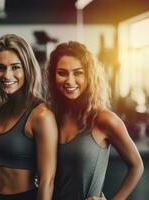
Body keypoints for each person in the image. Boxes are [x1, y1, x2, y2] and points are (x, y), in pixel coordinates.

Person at [46, 41, 144, 200]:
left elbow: (137, 166)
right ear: (53, 76)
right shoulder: (51, 117)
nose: (70, 81)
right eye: (62, 73)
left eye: (78, 73)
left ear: (89, 75)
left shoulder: (104, 119)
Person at [0, 34, 58, 200]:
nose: (7, 75)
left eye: (15, 67)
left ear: (27, 68)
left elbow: (47, 180)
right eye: (0, 68)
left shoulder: (41, 116)